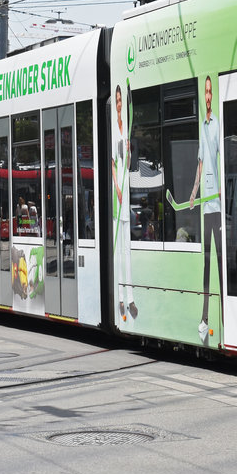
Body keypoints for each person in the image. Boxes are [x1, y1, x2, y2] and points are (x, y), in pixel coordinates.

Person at [189, 76, 221, 344]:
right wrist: (193, 193)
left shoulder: (218, 126)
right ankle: (205, 317)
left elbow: (223, 159)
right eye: (205, 92)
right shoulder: (203, 125)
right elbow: (201, 163)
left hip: (220, 205)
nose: (207, 96)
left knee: (221, 263)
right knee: (207, 265)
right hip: (207, 207)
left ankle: (223, 315)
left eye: (210, 92)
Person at [112, 84, 136, 321]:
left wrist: (129, 152)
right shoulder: (113, 128)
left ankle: (130, 297)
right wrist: (117, 189)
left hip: (125, 196)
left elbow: (126, 164)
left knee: (127, 250)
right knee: (119, 250)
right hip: (117, 195)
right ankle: (120, 298)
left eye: (121, 100)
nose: (119, 104)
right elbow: (112, 164)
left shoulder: (125, 131)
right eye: (117, 100)